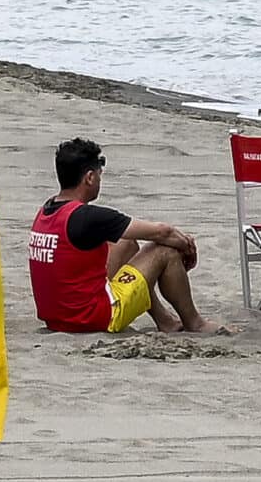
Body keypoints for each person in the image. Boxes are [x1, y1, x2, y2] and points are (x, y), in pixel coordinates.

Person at [27, 137, 226, 335]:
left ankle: (165, 321)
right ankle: (195, 323)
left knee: (125, 242)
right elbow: (162, 232)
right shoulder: (87, 216)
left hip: (56, 318)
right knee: (165, 251)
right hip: (93, 318)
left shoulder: (47, 210)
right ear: (89, 178)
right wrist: (187, 246)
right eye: (99, 174)